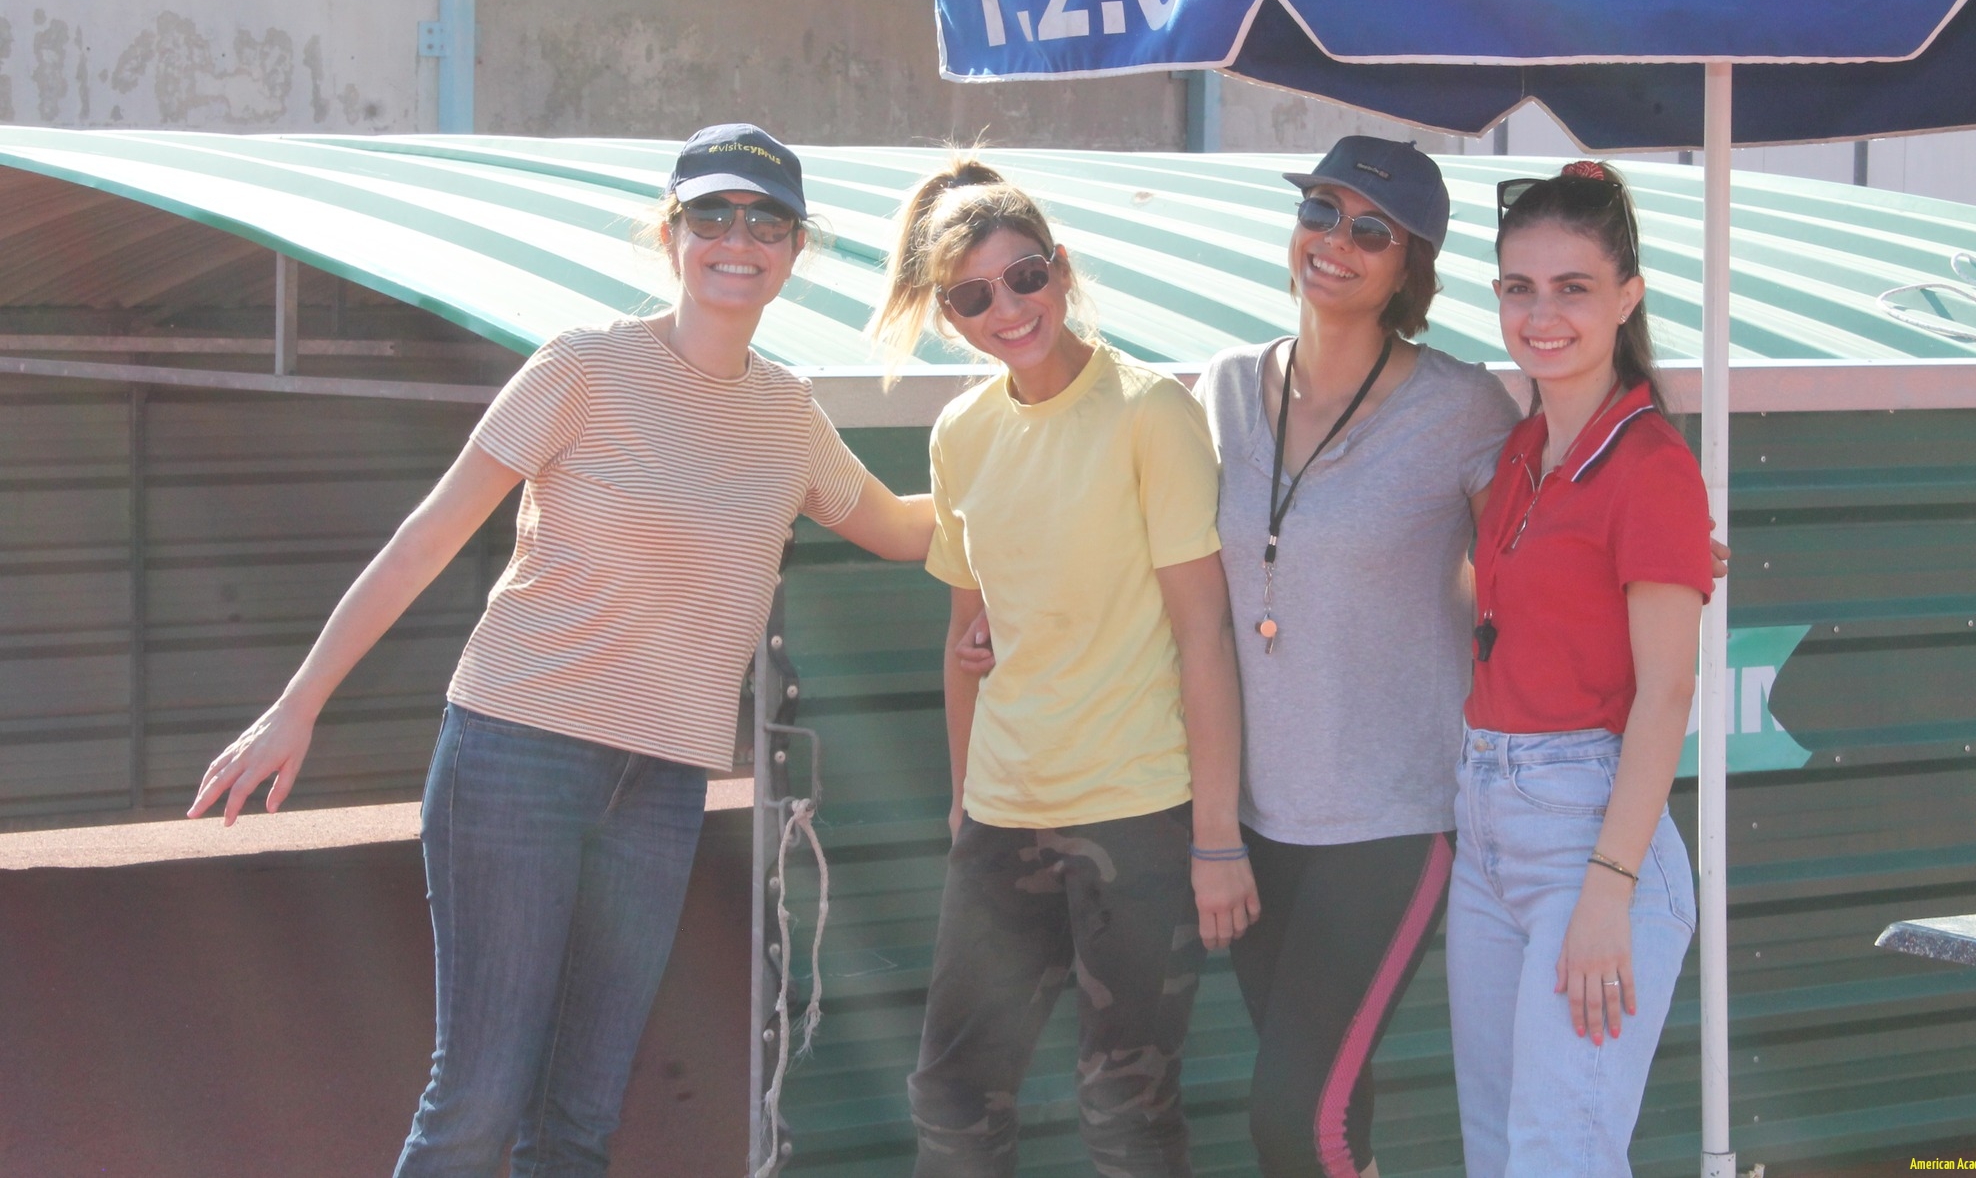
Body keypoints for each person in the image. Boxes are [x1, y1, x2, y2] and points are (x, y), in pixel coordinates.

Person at [187, 124, 936, 1178]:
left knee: (579, 1118)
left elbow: (902, 529)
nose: (738, 240)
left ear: (795, 248)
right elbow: (425, 540)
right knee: (478, 1101)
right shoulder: (583, 367)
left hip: (662, 783)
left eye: (766, 221)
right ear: (672, 234)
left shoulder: (789, 415)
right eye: (712, 215)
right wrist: (296, 704)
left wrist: (1036, 456)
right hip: (514, 753)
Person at [871, 155, 1258, 1178]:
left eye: (1024, 277)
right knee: (951, 1095)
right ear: (948, 314)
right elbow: (967, 639)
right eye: (972, 296)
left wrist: (1216, 836)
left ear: (1062, 269)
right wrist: (963, 805)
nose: (1007, 309)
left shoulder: (1149, 412)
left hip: (1137, 815)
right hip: (1002, 817)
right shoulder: (962, 434)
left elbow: (1204, 634)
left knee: (1123, 1108)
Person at [1193, 137, 1521, 1178]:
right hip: (1253, 822)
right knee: (1335, 1112)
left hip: (1391, 816)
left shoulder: (1463, 407)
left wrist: (1656, 553)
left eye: (1371, 230)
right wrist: (998, 602)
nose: (1336, 241)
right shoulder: (1222, 387)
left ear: (1409, 265)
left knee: (1294, 1124)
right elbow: (1158, 562)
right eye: (1320, 211)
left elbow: (1537, 560)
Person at [1448, 159, 1712, 1177]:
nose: (1541, 313)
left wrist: (1608, 889)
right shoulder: (1521, 449)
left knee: (1559, 1156)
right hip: (1485, 822)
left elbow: (1668, 690)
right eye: (1519, 287)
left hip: (1589, 837)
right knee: (1496, 1151)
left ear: (1627, 297)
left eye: (1573, 287)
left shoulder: (1650, 466)